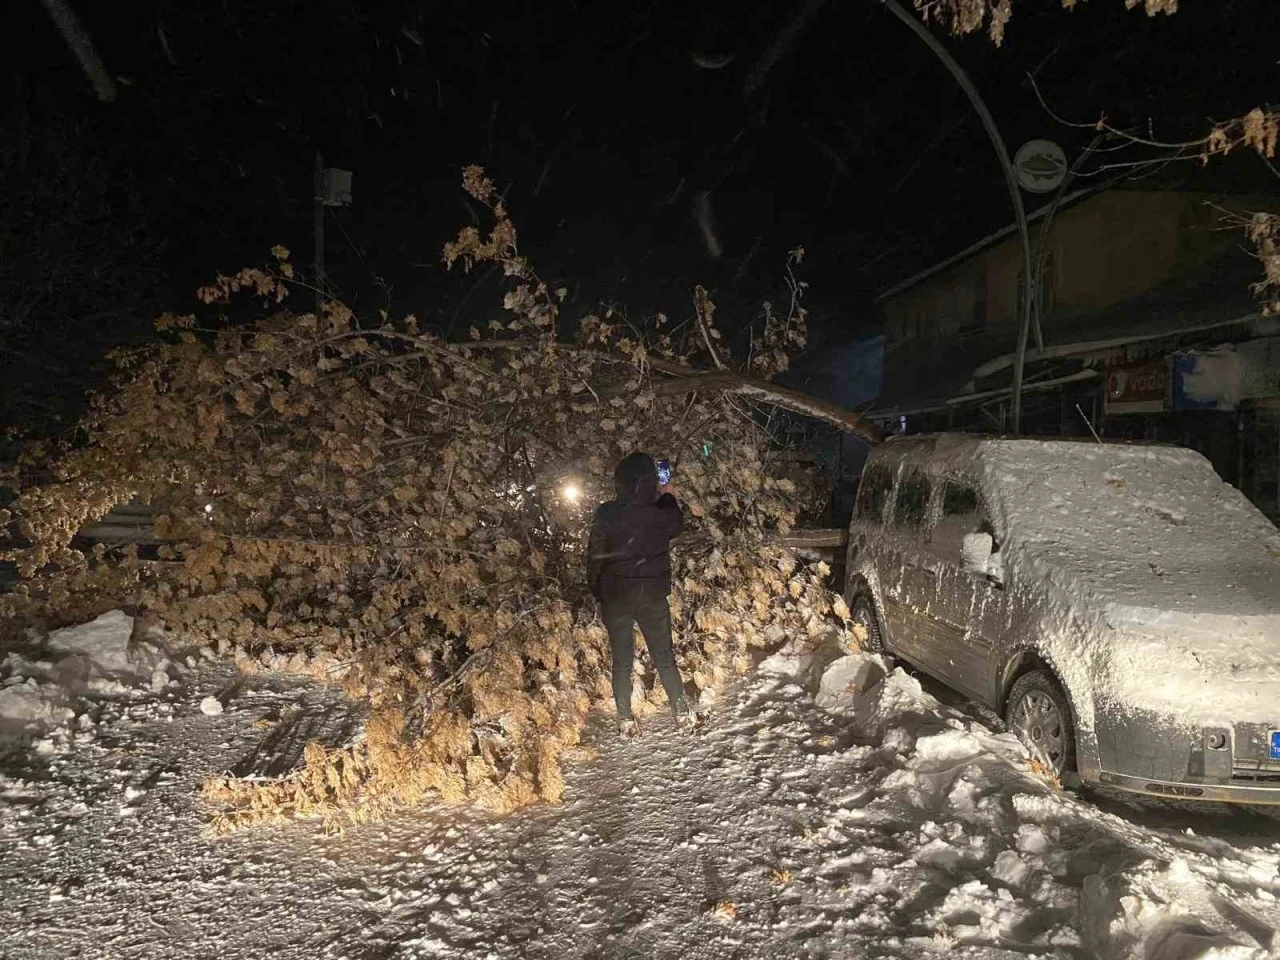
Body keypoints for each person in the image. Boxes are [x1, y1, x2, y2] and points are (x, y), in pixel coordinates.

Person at [586, 452, 697, 738]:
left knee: (621, 659)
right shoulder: (662, 512)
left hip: (616, 597)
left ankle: (625, 720)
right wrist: (668, 493)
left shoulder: (607, 513)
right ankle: (683, 714)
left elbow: (595, 557)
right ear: (650, 481)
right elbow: (676, 523)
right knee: (664, 655)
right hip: (651, 595)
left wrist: (598, 590)